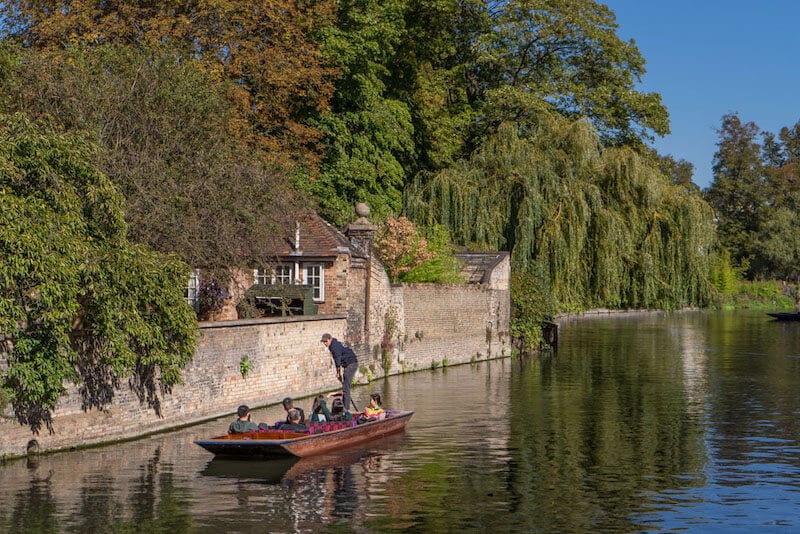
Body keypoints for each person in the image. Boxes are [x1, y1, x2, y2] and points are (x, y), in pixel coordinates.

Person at [321, 333, 358, 411]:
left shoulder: (334, 346)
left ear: (330, 339)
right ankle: (345, 408)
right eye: (323, 342)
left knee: (346, 389)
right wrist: (339, 373)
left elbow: (337, 361)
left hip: (351, 364)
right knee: (345, 387)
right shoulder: (335, 344)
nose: (325, 343)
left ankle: (346, 410)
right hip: (350, 364)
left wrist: (338, 373)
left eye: (326, 341)